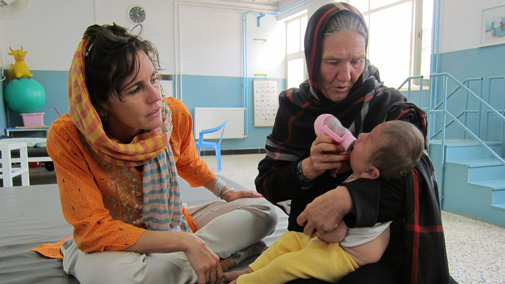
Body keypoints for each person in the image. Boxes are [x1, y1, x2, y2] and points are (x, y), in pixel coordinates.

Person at [33, 23, 278, 284]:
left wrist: (225, 192)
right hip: (114, 242)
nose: (155, 96)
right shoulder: (69, 136)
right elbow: (92, 229)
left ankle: (184, 261)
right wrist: (185, 242)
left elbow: (187, 159)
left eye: (153, 79)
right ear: (100, 105)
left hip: (171, 222)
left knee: (264, 212)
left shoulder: (172, 115)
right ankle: (212, 260)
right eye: (135, 89)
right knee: (107, 275)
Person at [255, 2, 457, 284]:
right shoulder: (294, 108)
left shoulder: (389, 107)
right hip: (310, 239)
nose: (346, 75)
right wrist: (308, 169)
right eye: (332, 62)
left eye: (356, 60)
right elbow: (267, 183)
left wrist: (348, 198)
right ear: (313, 59)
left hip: (375, 248)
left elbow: (414, 179)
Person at [226, 120, 424, 284]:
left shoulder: (366, 194)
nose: (360, 135)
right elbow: (267, 181)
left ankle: (244, 283)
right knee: (288, 240)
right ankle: (249, 271)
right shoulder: (366, 175)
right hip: (339, 247)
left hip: (344, 256)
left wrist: (318, 225)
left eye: (368, 139)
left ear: (370, 172)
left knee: (288, 265)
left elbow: (336, 234)